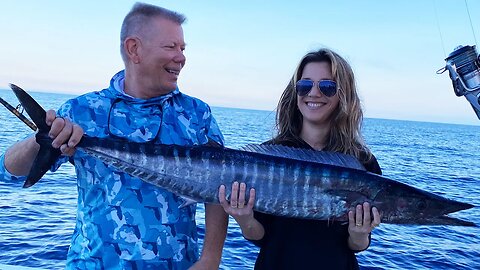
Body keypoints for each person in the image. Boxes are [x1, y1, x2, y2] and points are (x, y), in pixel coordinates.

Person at [0, 3, 228, 269]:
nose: (181, 57)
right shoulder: (81, 111)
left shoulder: (196, 113)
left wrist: (211, 259)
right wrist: (42, 138)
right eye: (171, 47)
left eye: (183, 48)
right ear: (134, 49)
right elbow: (9, 171)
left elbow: (220, 186)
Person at [218, 48, 382, 269]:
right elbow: (260, 236)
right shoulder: (266, 156)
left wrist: (358, 233)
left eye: (327, 86)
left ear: (344, 95)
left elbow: (357, 245)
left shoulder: (362, 162)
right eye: (305, 85)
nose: (313, 93)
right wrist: (243, 219)